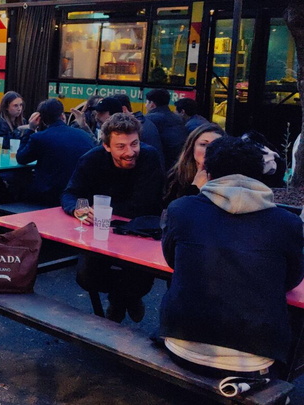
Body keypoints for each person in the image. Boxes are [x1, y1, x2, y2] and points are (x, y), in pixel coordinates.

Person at [160, 136, 304, 377]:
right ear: (259, 176)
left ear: (208, 173)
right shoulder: (287, 223)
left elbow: (172, 260)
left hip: (181, 345)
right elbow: (290, 280)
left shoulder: (182, 210)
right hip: (253, 360)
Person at [62, 113, 164, 323]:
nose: (130, 152)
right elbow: (70, 193)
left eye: (134, 144)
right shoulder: (91, 159)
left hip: (140, 232)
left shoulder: (149, 157)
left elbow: (144, 203)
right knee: (86, 277)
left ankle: (122, 299)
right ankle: (123, 298)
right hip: (100, 231)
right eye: (121, 146)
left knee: (140, 283)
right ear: (106, 146)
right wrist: (78, 210)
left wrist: (100, 211)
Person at [17, 98, 96, 207]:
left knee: (16, 184)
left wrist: (30, 129)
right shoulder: (84, 135)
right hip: (78, 194)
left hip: (48, 196)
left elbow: (21, 158)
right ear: (63, 116)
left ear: (41, 119)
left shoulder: (39, 138)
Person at [163, 123, 224, 207]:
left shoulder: (229, 178)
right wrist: (194, 188)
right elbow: (171, 212)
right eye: (203, 144)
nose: (209, 149)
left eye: (215, 145)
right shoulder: (175, 176)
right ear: (192, 147)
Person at [112, 93, 165, 167]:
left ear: (123, 109)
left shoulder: (134, 129)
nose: (111, 120)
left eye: (113, 113)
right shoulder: (142, 123)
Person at [145, 89, 187, 169]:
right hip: (179, 164)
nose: (145, 105)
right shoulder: (178, 118)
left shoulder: (150, 120)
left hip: (163, 165)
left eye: (147, 102)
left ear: (152, 104)